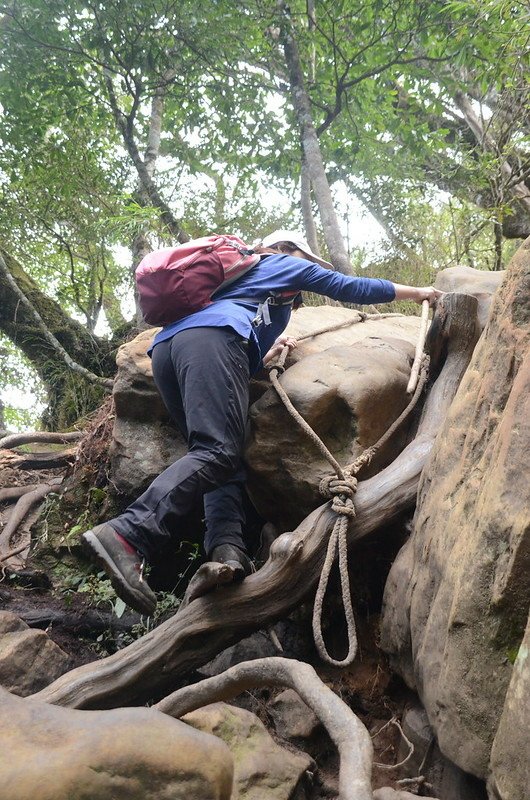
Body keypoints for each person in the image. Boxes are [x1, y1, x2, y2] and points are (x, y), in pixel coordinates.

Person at [82, 230, 441, 615]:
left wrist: (264, 352)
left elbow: (229, 353)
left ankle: (227, 552)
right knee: (217, 452)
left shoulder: (246, 283)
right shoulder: (277, 263)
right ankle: (128, 534)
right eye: (307, 258)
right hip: (210, 340)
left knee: (220, 459)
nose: (310, 268)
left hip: (171, 352)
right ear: (286, 250)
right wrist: (416, 293)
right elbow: (346, 285)